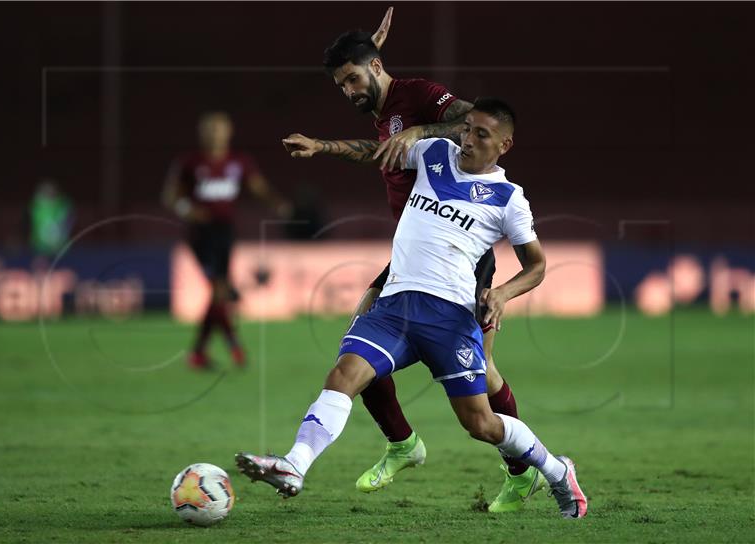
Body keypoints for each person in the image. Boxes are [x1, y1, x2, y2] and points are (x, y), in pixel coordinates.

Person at [237, 99, 588, 519]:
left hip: (450, 317)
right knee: (343, 374)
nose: (468, 139)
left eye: (482, 134)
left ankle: (556, 470)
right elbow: (376, 151)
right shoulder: (434, 154)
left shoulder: (509, 199)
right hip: (396, 305)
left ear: (505, 145)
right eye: (466, 128)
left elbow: (537, 266)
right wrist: (322, 146)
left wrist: (502, 294)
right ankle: (294, 464)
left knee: (480, 424)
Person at [282, 17, 539, 513]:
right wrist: (323, 146)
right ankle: (402, 443)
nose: (348, 91)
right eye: (341, 85)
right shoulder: (382, 107)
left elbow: (471, 120)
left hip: (459, 253)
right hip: (411, 255)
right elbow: (383, 152)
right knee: (359, 339)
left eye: (353, 79)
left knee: (483, 371)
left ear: (376, 66)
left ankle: (520, 469)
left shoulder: (417, 94)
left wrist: (421, 126)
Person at [163, 112, 288, 369]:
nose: (214, 134)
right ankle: (233, 347)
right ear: (201, 133)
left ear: (228, 132)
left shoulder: (238, 162)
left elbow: (257, 187)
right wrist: (189, 210)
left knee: (218, 292)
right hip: (200, 234)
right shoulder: (190, 162)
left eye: (219, 129)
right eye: (209, 129)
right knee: (220, 289)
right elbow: (170, 196)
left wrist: (277, 203)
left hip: (226, 232)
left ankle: (200, 353)